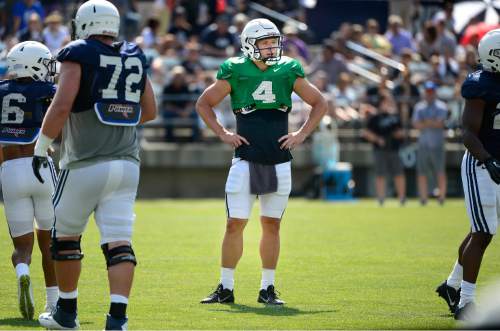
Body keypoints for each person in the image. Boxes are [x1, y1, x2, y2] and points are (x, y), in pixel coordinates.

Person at [32, 0, 157, 329]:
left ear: (84, 24)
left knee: (66, 238)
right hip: (128, 163)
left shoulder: (79, 52)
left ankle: (66, 313)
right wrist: (118, 120)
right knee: (119, 242)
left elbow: (61, 105)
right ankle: (118, 319)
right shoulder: (133, 54)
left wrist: (41, 146)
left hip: (85, 161)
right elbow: (151, 110)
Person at [196, 18, 327, 305]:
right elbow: (203, 103)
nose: (271, 47)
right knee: (234, 223)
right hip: (245, 158)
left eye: (273, 42)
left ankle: (267, 288)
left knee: (272, 225)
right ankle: (225, 287)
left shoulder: (289, 68)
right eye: (265, 43)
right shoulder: (234, 68)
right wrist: (223, 133)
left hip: (279, 159)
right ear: (249, 44)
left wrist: (302, 134)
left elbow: (320, 103)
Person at [436, 29, 500, 321]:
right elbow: (467, 133)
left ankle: (451, 286)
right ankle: (466, 302)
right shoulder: (480, 85)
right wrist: (488, 160)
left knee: (481, 231)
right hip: (480, 163)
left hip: (495, 161)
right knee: (484, 232)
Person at [0, 40, 57, 320]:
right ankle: (54, 303)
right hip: (40, 165)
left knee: (21, 247)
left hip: (9, 169)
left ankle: (23, 271)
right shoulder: (48, 90)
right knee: (50, 243)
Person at [363, 90, 406, 205]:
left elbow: (402, 132)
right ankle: (381, 198)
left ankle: (402, 198)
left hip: (394, 149)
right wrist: (377, 139)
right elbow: (366, 133)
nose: (389, 103)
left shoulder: (395, 117)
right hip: (380, 150)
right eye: (386, 101)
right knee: (380, 174)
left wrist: (398, 134)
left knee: (398, 174)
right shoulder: (375, 117)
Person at [412, 81, 448, 205]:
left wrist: (426, 122)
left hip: (438, 144)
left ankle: (442, 197)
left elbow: (440, 123)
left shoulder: (441, 106)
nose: (429, 94)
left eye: (431, 92)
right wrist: (431, 122)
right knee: (422, 172)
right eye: (427, 92)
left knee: (440, 171)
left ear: (435, 92)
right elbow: (416, 124)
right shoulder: (419, 107)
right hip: (423, 144)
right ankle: (423, 198)